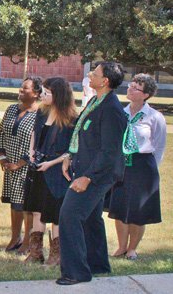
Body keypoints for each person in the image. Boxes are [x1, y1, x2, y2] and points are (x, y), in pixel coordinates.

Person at [57, 62, 127, 285]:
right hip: (84, 168)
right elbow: (82, 135)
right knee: (90, 220)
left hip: (96, 175)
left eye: (94, 73)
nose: (90, 74)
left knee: (69, 216)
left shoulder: (111, 110)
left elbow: (110, 151)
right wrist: (70, 155)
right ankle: (98, 265)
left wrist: (88, 177)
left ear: (105, 81)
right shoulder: (96, 101)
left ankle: (76, 272)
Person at [108, 74, 167, 260]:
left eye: (136, 88)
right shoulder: (120, 113)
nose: (130, 89)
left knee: (138, 210)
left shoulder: (154, 117)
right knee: (119, 207)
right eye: (130, 85)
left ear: (146, 95)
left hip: (143, 166)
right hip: (122, 163)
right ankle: (121, 247)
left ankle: (133, 248)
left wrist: (150, 170)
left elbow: (159, 146)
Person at [22, 77, 77, 265]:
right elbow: (34, 133)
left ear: (59, 95)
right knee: (37, 211)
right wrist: (31, 151)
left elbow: (73, 149)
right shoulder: (42, 112)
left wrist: (52, 163)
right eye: (43, 91)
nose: (43, 95)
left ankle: (57, 255)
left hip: (56, 173)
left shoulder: (71, 119)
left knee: (55, 214)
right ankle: (35, 252)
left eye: (47, 92)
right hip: (38, 167)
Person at [0, 77, 42, 254]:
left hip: (27, 167)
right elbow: (1, 132)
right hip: (9, 165)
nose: (20, 91)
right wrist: (2, 157)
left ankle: (27, 241)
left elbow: (37, 144)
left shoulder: (40, 115)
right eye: (21, 88)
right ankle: (15, 237)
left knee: (26, 205)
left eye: (25, 89)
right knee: (14, 204)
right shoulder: (11, 109)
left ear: (36, 93)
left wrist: (19, 163)